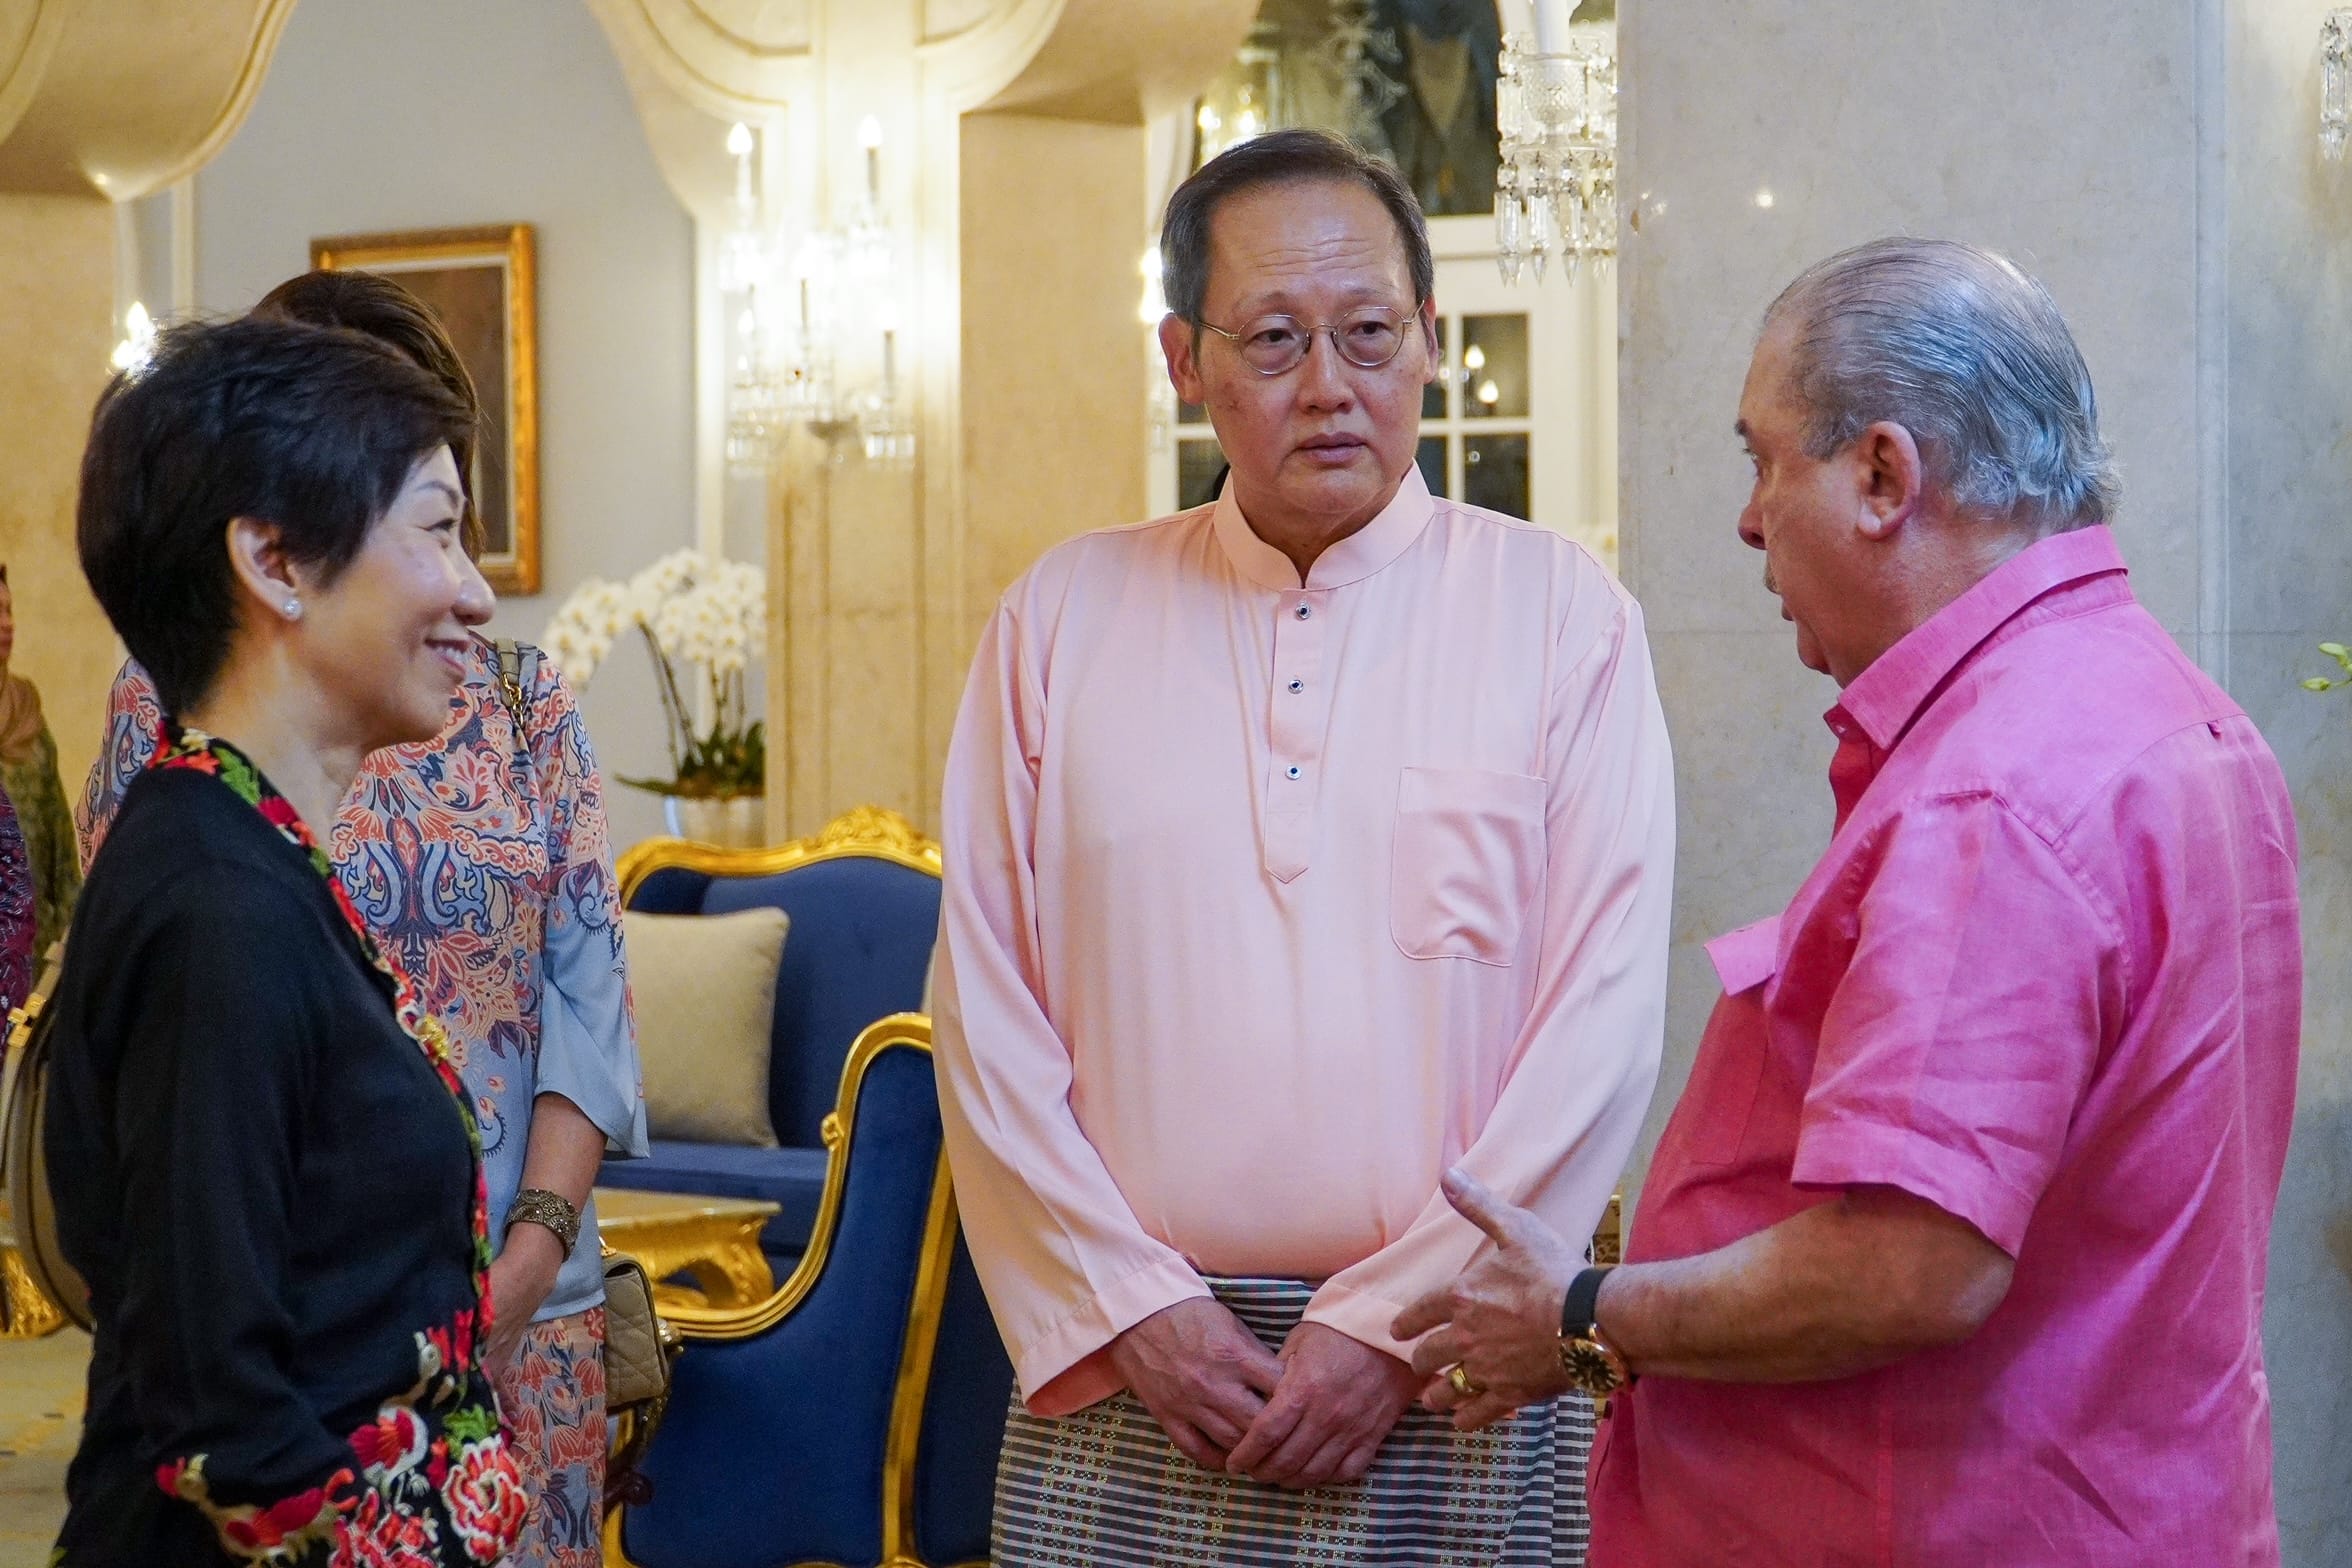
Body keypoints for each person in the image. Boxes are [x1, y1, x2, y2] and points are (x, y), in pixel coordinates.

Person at [1394, 238, 2299, 1567]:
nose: (1750, 519)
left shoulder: (1991, 788)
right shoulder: (2168, 709)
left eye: (1765, 460)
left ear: (1883, 475)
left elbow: (1907, 1271)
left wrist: (1584, 1310)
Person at [934, 127, 1674, 1567]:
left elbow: (1603, 1020)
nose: (1330, 385)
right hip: (1141, 1373)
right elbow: (984, 1003)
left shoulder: (1563, 618)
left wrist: (1394, 1326)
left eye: (1368, 333)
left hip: (1459, 1370)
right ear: (1182, 362)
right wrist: (1131, 1305)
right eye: (1273, 339)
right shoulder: (1060, 618)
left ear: (1430, 341)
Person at [75, 268, 647, 1568]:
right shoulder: (215, 874)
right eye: (427, 525)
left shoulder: (475, 718)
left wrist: (525, 1254)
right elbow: (222, 1379)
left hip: (482, 1320)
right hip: (321, 1400)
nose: (474, 591)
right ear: (273, 545)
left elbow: (585, 994)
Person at [0, 565, 83, 954]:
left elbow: (60, 840)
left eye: (9, 610)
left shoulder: (26, 713)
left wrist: (72, 935)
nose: (7, 624)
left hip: (32, 946)